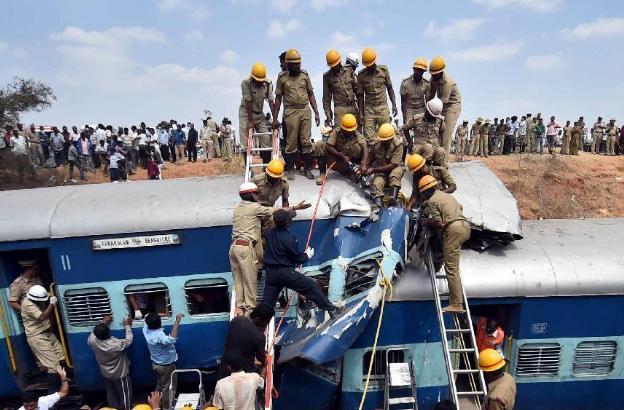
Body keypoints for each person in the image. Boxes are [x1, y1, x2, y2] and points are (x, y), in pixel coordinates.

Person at [230, 182, 310, 316]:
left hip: (234, 248)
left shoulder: (238, 208)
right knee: (250, 281)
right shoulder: (254, 208)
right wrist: (297, 207)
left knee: (238, 279)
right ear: (250, 195)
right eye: (256, 193)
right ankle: (250, 311)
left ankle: (239, 307)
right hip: (245, 248)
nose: (258, 196)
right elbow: (277, 212)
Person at [262, 209, 340, 318]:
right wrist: (307, 255)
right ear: (288, 222)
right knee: (311, 287)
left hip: (271, 275)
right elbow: (298, 259)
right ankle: (332, 310)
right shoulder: (289, 239)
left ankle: (256, 325)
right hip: (286, 273)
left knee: (266, 304)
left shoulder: (268, 234)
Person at [418, 175, 470, 313]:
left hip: (453, 229)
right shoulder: (446, 196)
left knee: (451, 268)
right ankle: (440, 256)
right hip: (464, 226)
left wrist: (426, 222)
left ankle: (457, 304)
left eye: (423, 194)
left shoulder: (433, 201)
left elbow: (439, 224)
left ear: (426, 191)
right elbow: (460, 207)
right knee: (451, 260)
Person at [272, 49, 321, 180]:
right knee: (291, 142)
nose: (298, 66)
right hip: (290, 111)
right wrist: (275, 118)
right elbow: (278, 98)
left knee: (306, 141)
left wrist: (316, 112)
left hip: (305, 110)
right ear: (288, 64)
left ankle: (308, 169)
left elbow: (311, 94)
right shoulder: (282, 77)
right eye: (294, 64)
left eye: (299, 63)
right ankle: (290, 169)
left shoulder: (305, 75)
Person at [21, 285, 65, 390]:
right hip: (38, 337)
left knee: (61, 357)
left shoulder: (37, 296)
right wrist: (52, 303)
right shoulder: (27, 304)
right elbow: (42, 317)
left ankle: (64, 382)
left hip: (48, 333)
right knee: (53, 366)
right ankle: (54, 392)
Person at [88, 315, 134, 410]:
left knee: (111, 395)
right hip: (120, 374)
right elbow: (129, 340)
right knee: (125, 396)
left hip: (105, 373)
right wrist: (127, 326)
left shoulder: (92, 340)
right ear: (109, 333)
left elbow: (94, 333)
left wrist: (104, 321)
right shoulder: (115, 344)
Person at [217, 303, 273, 381]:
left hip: (225, 371)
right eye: (267, 321)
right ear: (258, 319)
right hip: (244, 376)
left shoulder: (235, 321)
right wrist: (265, 363)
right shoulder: (259, 336)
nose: (267, 324)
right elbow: (261, 359)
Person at [357, 48, 397, 147]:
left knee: (386, 135)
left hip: (382, 107)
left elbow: (390, 88)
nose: (369, 67)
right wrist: (361, 113)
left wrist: (394, 105)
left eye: (370, 64)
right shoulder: (361, 75)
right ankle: (371, 160)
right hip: (369, 109)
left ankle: (386, 159)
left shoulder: (384, 70)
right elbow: (360, 95)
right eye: (367, 65)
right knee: (369, 138)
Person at [143, 312, 183, 410]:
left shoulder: (145, 330)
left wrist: (160, 315)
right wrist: (177, 321)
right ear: (160, 323)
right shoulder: (159, 336)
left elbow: (146, 315)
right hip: (166, 367)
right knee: (168, 388)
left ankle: (156, 405)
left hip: (156, 364)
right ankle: (166, 407)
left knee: (160, 385)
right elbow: (172, 339)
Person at [239, 63, 274, 161]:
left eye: (261, 81)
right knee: (245, 142)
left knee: (266, 137)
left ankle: (267, 167)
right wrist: (251, 121)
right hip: (246, 113)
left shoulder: (267, 83)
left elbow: (271, 101)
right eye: (257, 81)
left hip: (259, 113)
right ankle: (248, 170)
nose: (259, 82)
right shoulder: (245, 83)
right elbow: (248, 101)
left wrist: (275, 120)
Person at [427, 57, 461, 154]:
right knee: (437, 133)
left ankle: (444, 163)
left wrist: (434, 116)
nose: (433, 76)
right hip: (442, 105)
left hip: (452, 107)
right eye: (432, 74)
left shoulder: (447, 83)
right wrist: (427, 111)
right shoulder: (433, 79)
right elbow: (431, 96)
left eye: (435, 74)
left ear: (441, 72)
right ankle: (437, 158)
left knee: (446, 135)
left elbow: (441, 104)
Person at [366, 123, 404, 207]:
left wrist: (374, 170)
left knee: (395, 174)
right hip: (381, 172)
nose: (383, 141)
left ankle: (393, 199)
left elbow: (393, 165)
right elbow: (371, 157)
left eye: (386, 140)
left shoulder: (398, 145)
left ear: (391, 138)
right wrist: (365, 166)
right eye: (382, 139)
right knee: (377, 183)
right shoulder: (376, 144)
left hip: (393, 169)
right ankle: (379, 206)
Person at [322, 113, 369, 180]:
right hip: (337, 159)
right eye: (347, 130)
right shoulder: (336, 131)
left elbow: (365, 147)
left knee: (357, 147)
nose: (349, 132)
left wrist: (364, 164)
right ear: (342, 128)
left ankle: (352, 171)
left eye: (351, 130)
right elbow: (328, 146)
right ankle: (322, 173)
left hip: (349, 161)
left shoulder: (357, 134)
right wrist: (341, 156)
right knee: (319, 144)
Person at [323, 49, 358, 128]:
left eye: (335, 64)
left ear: (339, 61)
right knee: (339, 132)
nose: (334, 67)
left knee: (356, 132)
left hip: (353, 107)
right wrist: (328, 115)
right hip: (339, 109)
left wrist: (360, 109)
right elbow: (326, 98)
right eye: (332, 66)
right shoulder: (327, 77)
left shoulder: (349, 70)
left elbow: (357, 90)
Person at [401, 57, 430, 124]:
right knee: (406, 127)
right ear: (413, 69)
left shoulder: (427, 84)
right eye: (417, 70)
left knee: (423, 128)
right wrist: (404, 117)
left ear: (424, 72)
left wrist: (427, 116)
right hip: (409, 109)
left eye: (421, 71)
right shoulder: (405, 82)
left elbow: (428, 101)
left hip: (421, 109)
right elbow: (403, 102)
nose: (419, 72)